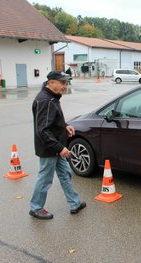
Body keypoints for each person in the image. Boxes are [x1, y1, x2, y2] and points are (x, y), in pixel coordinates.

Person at [29, 71, 86, 220]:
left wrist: (65, 126)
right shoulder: (46, 100)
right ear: (51, 82)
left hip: (57, 147)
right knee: (45, 179)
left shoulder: (52, 98)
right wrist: (60, 148)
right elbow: (42, 130)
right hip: (50, 148)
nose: (65, 86)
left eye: (66, 83)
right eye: (62, 83)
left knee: (65, 174)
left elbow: (52, 121)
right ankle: (36, 208)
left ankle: (74, 203)